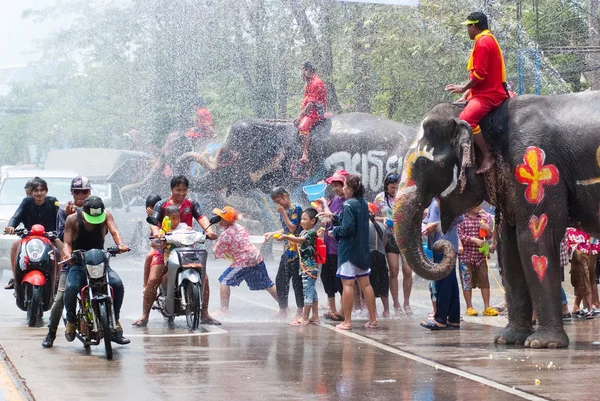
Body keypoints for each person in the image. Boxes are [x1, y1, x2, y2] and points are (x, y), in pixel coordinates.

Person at [133, 175, 219, 326]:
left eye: (184, 190)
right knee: (153, 280)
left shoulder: (192, 203)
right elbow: (154, 221)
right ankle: (144, 315)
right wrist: (157, 232)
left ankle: (204, 313)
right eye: (178, 190)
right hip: (165, 248)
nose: (181, 193)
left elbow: (202, 217)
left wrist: (209, 231)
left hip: (187, 248)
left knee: (204, 278)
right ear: (171, 189)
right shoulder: (162, 204)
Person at [445, 11, 509, 173]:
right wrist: (466, 94)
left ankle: (487, 156)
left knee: (466, 119)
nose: (467, 30)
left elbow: (480, 74)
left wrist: (463, 87)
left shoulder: (483, 42)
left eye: (468, 27)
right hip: (483, 92)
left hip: (489, 95)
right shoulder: (487, 39)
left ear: (474, 26)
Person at [63, 196, 130, 344]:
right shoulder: (73, 219)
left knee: (117, 285)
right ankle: (71, 321)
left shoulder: (106, 215)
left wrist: (121, 244)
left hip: (100, 262)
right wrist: (68, 254)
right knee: (71, 288)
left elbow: (115, 231)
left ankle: (115, 321)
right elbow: (66, 242)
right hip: (79, 263)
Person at [319, 174, 377, 330]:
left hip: (348, 251)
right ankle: (373, 320)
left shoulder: (348, 205)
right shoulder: (363, 204)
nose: (343, 188)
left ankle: (347, 321)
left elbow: (348, 228)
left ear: (351, 189)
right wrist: (334, 216)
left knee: (348, 285)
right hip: (362, 250)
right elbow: (352, 221)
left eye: (345, 186)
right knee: (366, 285)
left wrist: (335, 232)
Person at [42, 175, 92, 348]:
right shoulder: (63, 212)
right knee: (61, 298)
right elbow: (63, 238)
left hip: (93, 260)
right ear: (72, 192)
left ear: (90, 192)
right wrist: (73, 217)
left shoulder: (96, 209)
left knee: (109, 286)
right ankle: (51, 333)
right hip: (71, 261)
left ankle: (111, 325)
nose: (81, 195)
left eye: (84, 191)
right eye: (77, 192)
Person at [213, 206, 278, 314]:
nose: (218, 219)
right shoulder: (240, 227)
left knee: (224, 280)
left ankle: (223, 310)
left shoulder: (225, 235)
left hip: (243, 261)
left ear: (224, 221)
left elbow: (216, 252)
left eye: (220, 217)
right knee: (268, 284)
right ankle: (284, 307)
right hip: (256, 257)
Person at [4, 177, 61, 290]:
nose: (39, 193)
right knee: (16, 245)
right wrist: (10, 226)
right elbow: (16, 216)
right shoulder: (26, 202)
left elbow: (60, 218)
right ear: (31, 193)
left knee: (59, 251)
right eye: (36, 191)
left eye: (42, 190)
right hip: (29, 237)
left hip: (49, 237)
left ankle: (57, 281)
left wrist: (59, 231)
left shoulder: (53, 202)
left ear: (46, 191)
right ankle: (16, 279)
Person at [421, 198, 464, 330]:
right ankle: (453, 319)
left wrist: (436, 225)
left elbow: (459, 217)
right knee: (450, 284)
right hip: (438, 245)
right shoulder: (435, 199)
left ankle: (440, 319)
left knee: (443, 283)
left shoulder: (447, 197)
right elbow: (428, 220)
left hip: (446, 246)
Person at [373, 172, 413, 315]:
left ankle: (407, 303)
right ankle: (396, 304)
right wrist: (382, 219)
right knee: (394, 271)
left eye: (397, 187)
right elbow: (372, 216)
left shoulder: (406, 196)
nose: (394, 190)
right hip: (389, 237)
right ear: (386, 186)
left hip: (406, 236)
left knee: (408, 270)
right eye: (392, 188)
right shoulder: (380, 198)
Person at [276, 208, 321, 325]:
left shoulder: (311, 232)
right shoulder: (303, 232)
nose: (301, 221)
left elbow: (301, 241)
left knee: (308, 292)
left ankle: (305, 317)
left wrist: (287, 237)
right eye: (301, 218)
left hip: (310, 268)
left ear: (313, 221)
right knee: (312, 292)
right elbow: (298, 242)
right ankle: (315, 316)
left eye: (305, 219)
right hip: (303, 267)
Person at [264, 187, 304, 318]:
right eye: (276, 201)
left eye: (279, 199)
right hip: (287, 251)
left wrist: (283, 214)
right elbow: (285, 229)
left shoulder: (296, 208)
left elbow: (292, 228)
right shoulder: (285, 210)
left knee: (297, 282)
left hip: (297, 251)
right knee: (281, 279)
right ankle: (283, 308)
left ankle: (300, 311)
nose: (278, 203)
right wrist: (272, 233)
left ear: (285, 196)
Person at [457, 203, 498, 317]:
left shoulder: (484, 218)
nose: (480, 207)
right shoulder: (462, 218)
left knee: (484, 281)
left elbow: (490, 236)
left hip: (480, 256)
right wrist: (474, 240)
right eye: (477, 204)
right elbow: (459, 235)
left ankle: (487, 307)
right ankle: (469, 307)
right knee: (466, 281)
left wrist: (488, 229)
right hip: (466, 256)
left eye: (480, 204)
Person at [320, 169, 349, 321]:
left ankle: (343, 311)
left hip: (340, 248)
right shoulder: (335, 200)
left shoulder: (348, 203)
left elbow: (336, 219)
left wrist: (325, 206)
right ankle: (332, 309)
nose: (335, 188)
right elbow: (327, 220)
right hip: (327, 247)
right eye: (333, 185)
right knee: (326, 277)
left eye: (338, 185)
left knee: (341, 281)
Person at [294, 62, 327, 164]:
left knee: (303, 126)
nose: (302, 73)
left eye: (303, 70)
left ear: (308, 71)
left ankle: (305, 154)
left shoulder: (316, 83)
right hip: (310, 112)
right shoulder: (309, 83)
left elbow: (311, 104)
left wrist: (300, 115)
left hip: (316, 112)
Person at [567, 227, 599, 319]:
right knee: (583, 277)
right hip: (579, 245)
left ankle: (577, 307)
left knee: (590, 277)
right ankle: (589, 308)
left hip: (592, 244)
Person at [367, 203, 390, 318]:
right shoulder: (382, 226)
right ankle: (386, 311)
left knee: (369, 284)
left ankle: (373, 311)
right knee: (383, 283)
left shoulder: (363, 226)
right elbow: (384, 242)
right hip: (381, 257)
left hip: (369, 257)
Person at [142, 194, 162, 290]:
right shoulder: (151, 219)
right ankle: (145, 285)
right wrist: (151, 217)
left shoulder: (166, 213)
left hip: (170, 242)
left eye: (155, 208)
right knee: (149, 256)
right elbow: (154, 233)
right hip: (156, 244)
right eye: (150, 208)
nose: (153, 210)